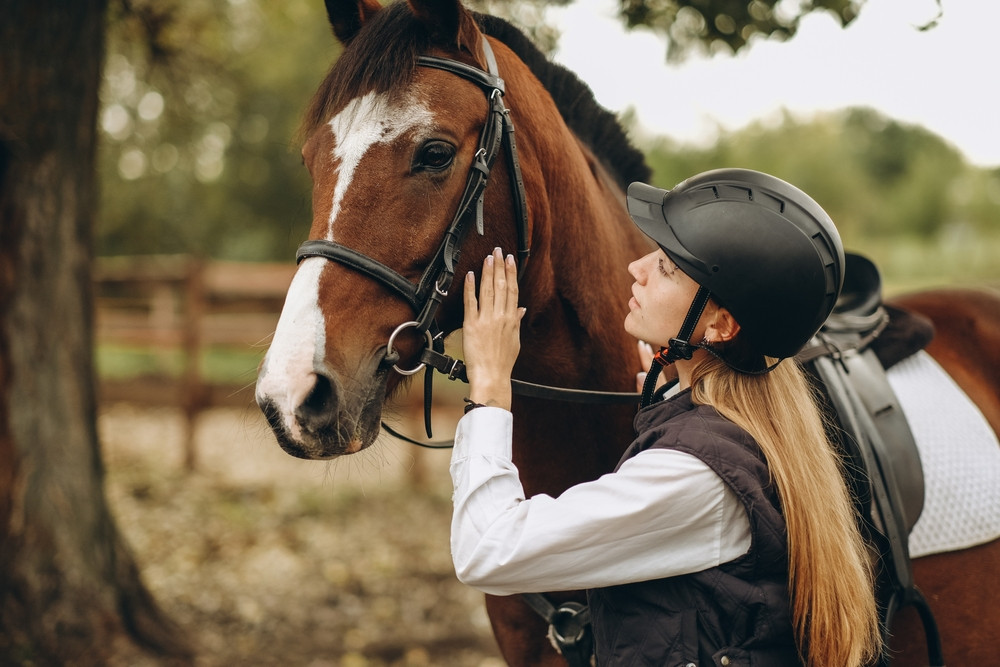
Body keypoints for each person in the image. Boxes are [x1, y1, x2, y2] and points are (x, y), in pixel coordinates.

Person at [452, 168, 881, 666]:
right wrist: (666, 402)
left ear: (721, 324)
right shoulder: (740, 426)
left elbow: (488, 549)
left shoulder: (696, 475)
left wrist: (489, 388)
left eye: (668, 268)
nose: (637, 267)